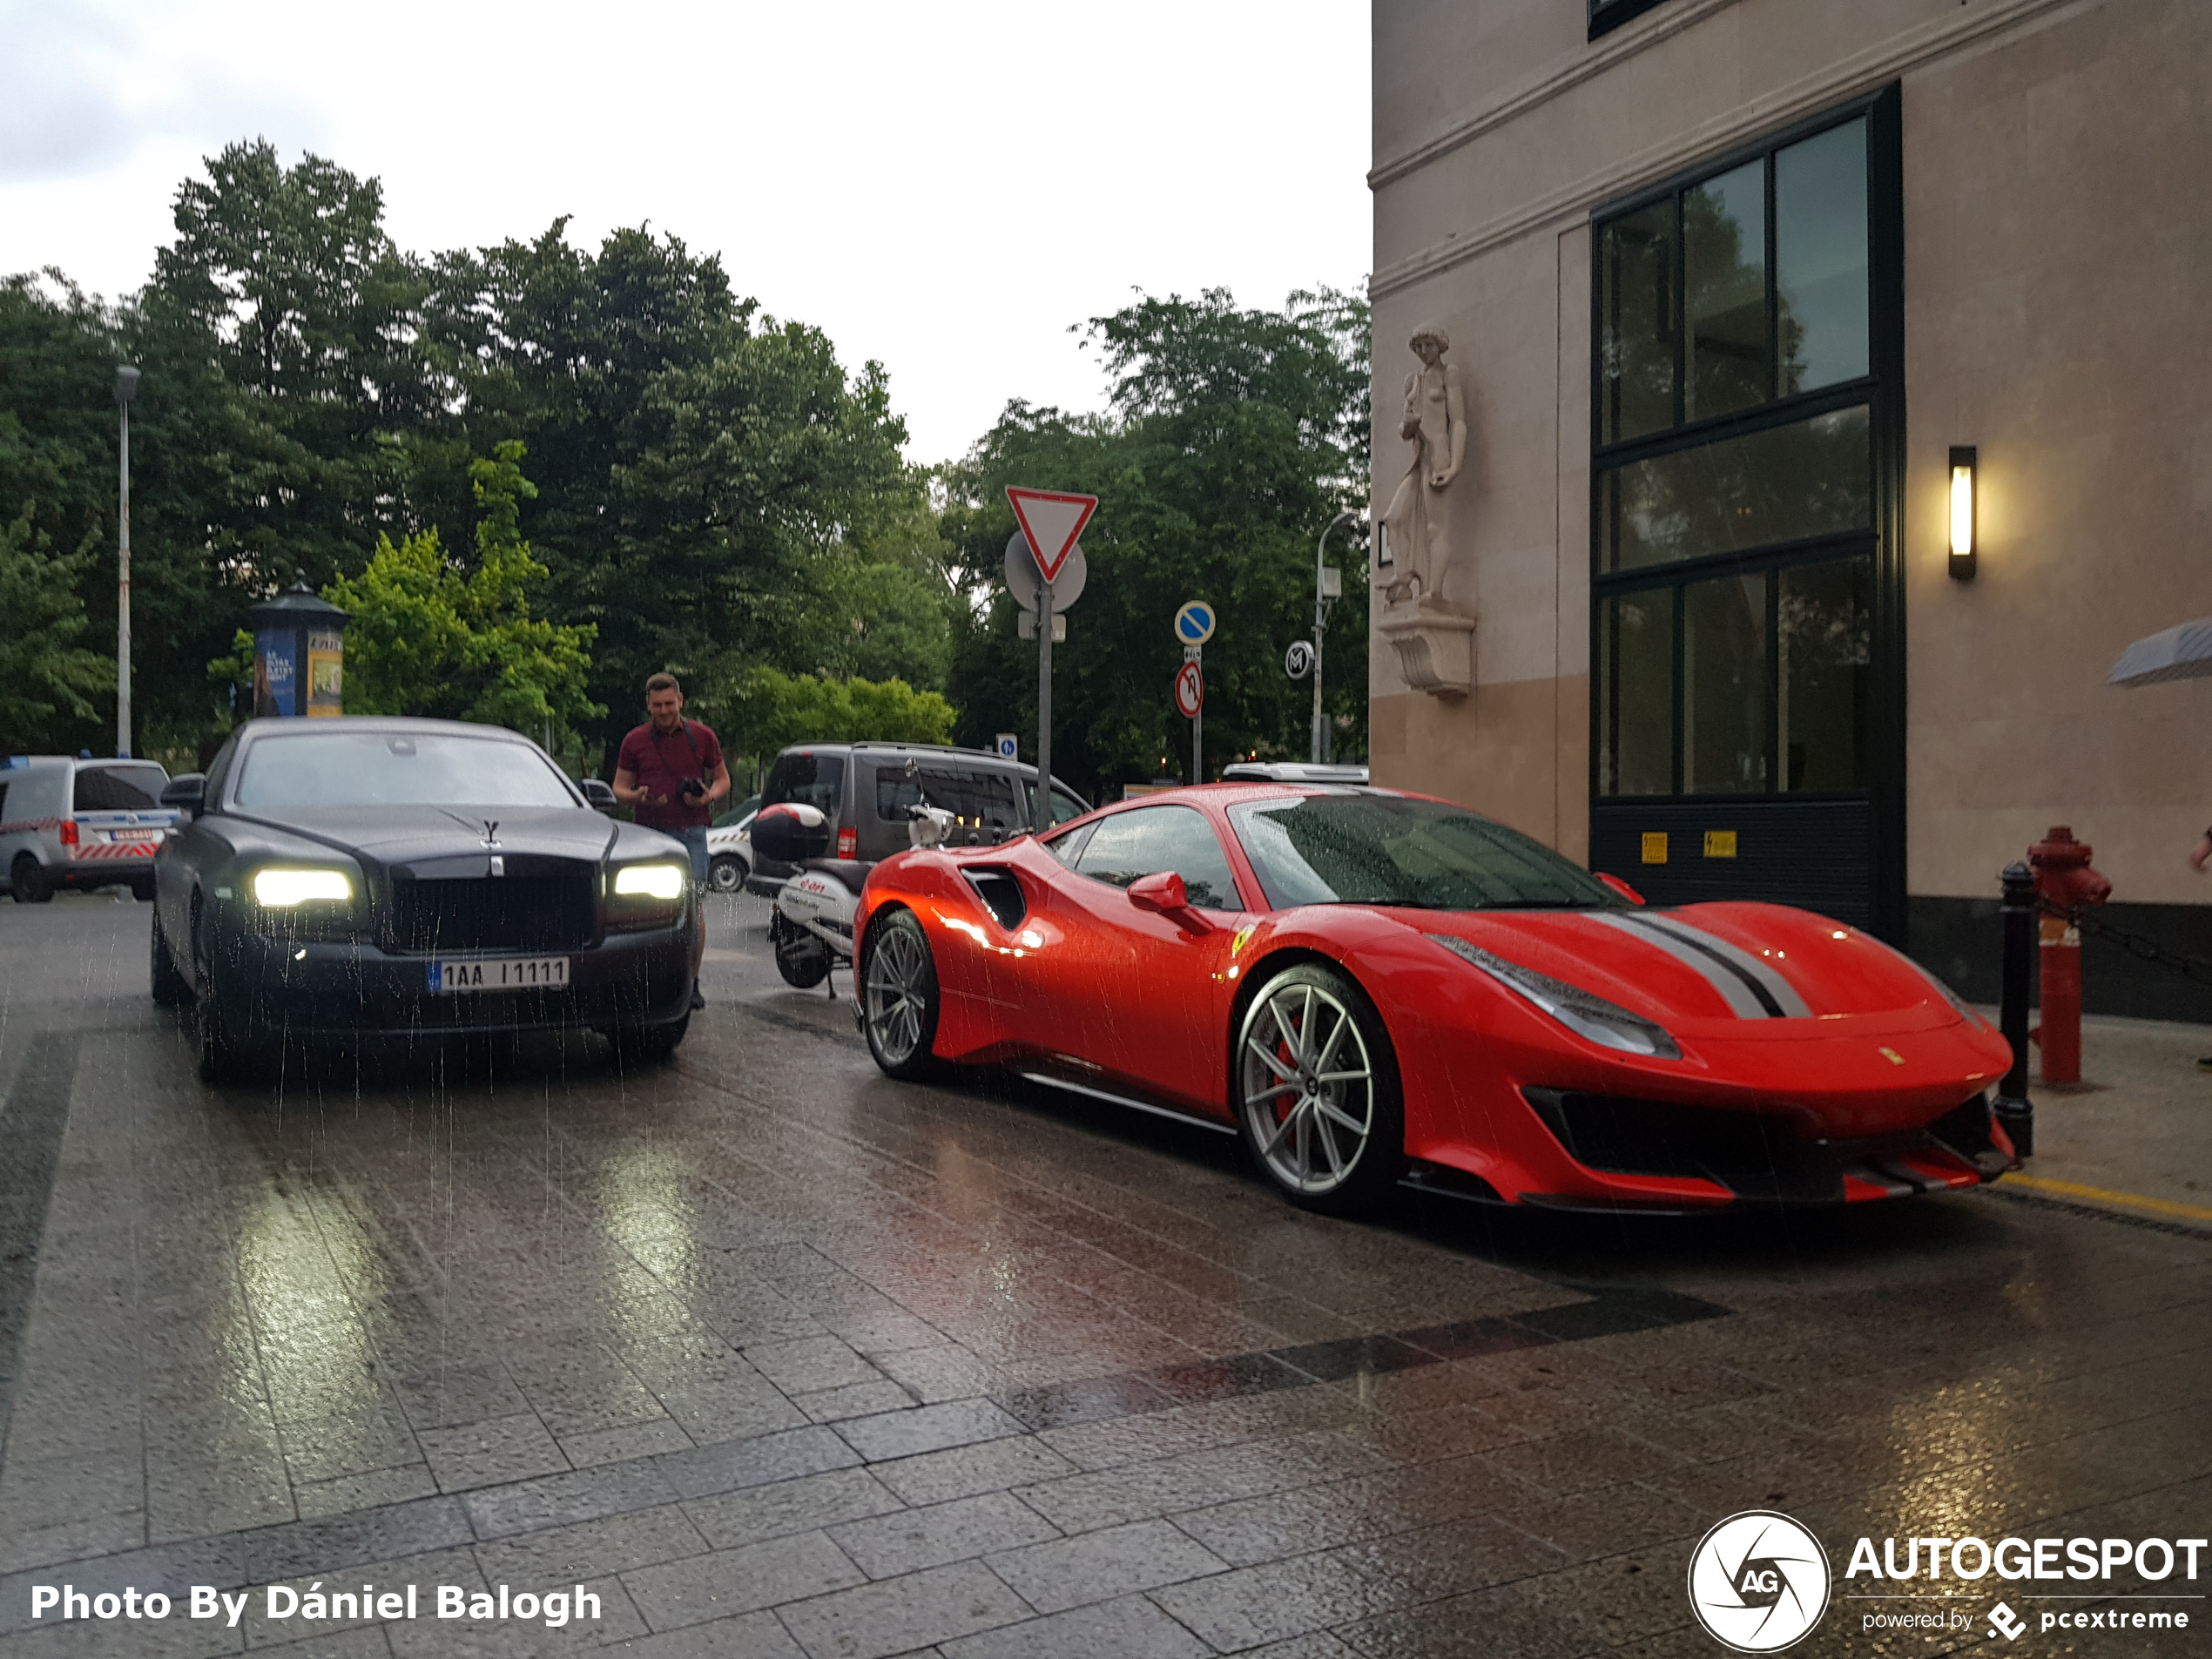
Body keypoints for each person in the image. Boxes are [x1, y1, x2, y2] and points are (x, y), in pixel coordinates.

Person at [613, 672, 730, 1010]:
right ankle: (641, 980)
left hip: (691, 831)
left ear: (681, 701)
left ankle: (690, 982)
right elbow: (618, 788)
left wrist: (709, 797)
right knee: (641, 907)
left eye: (669, 704)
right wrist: (638, 797)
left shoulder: (703, 736)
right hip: (648, 834)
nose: (664, 711)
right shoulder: (634, 741)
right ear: (648, 705)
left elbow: (723, 780)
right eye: (657, 705)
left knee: (692, 909)